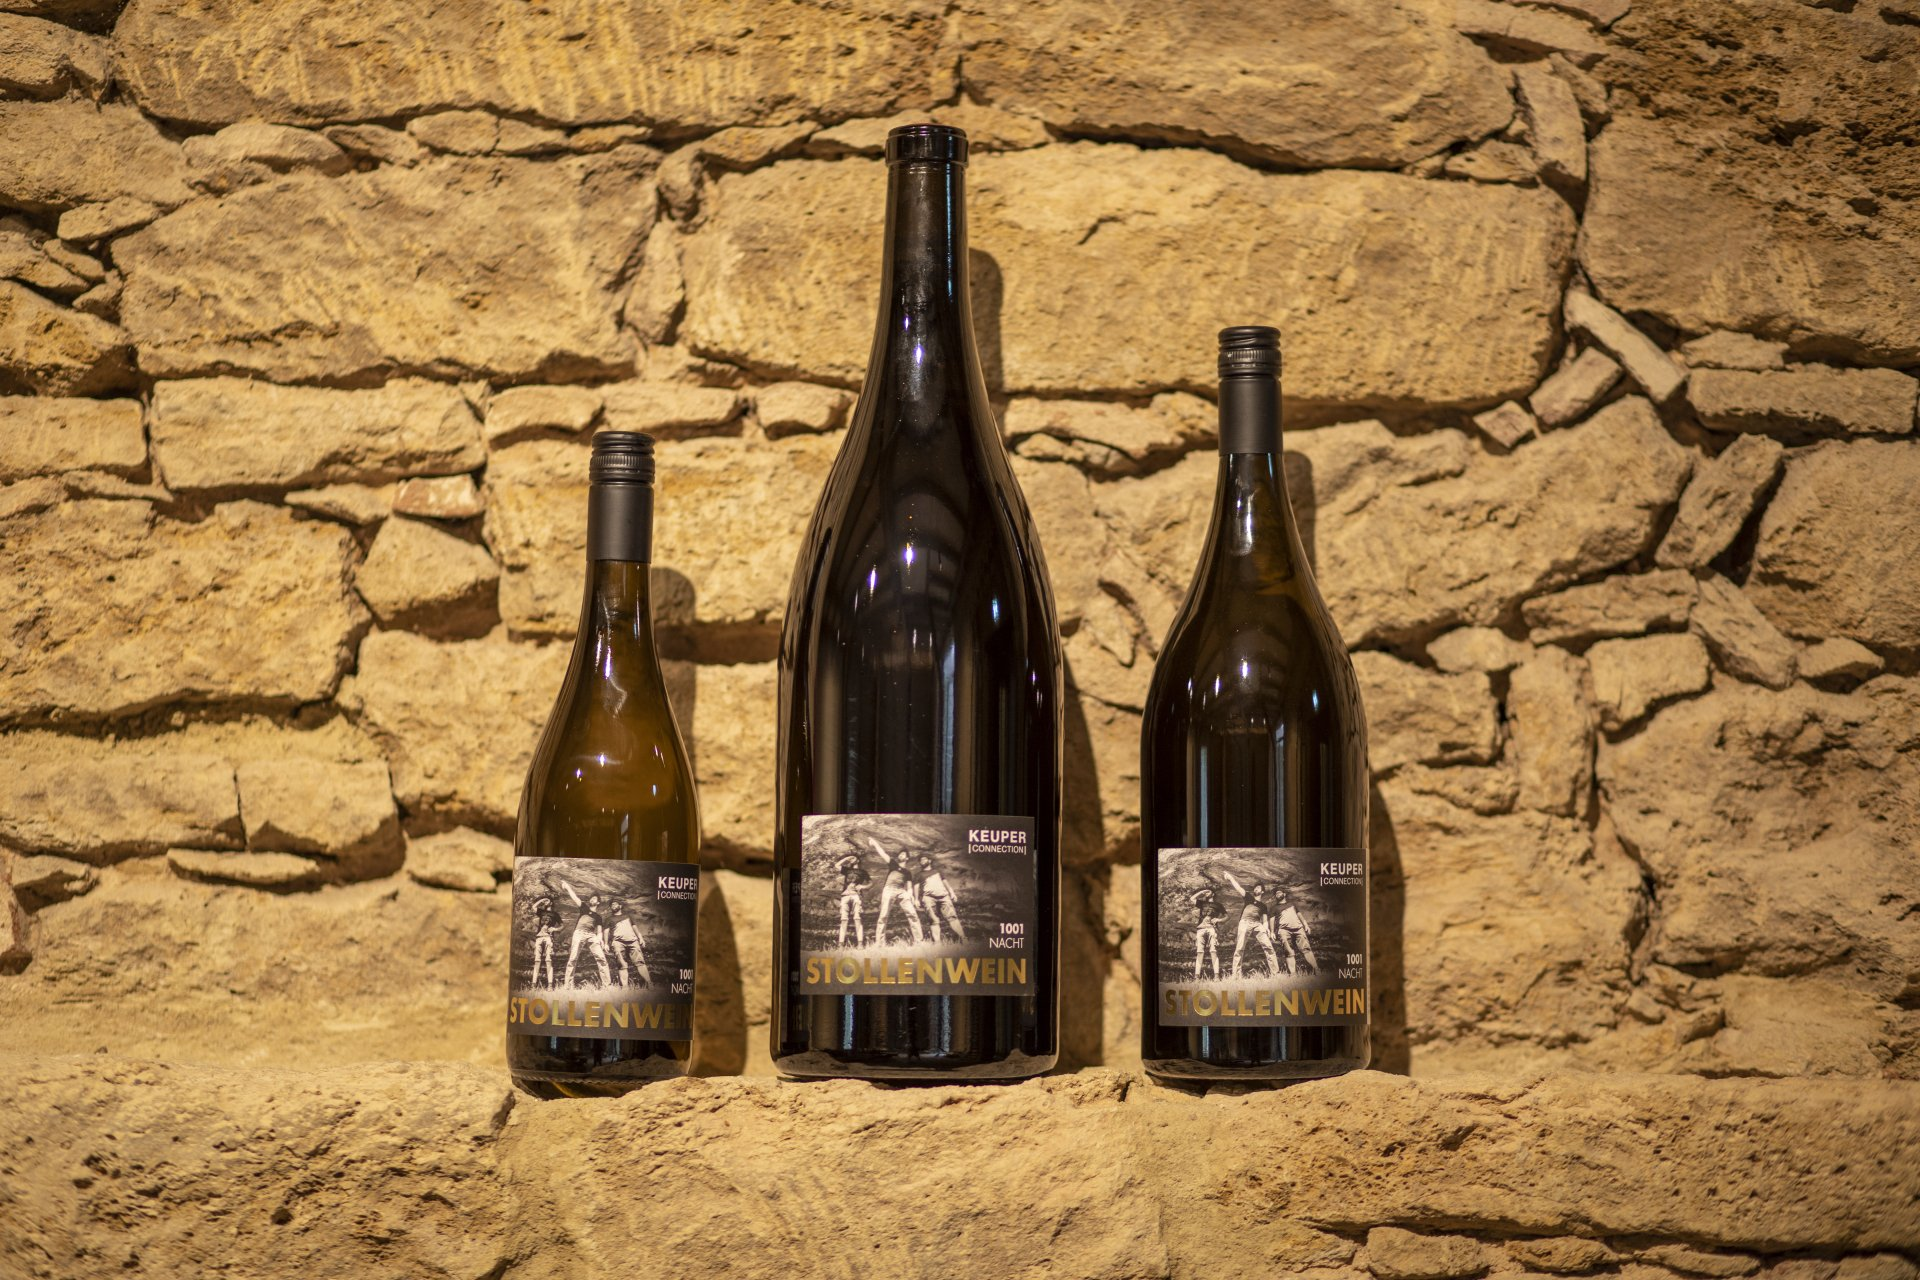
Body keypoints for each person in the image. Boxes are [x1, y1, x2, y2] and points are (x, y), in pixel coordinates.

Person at [1223, 870, 1281, 980]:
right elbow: (1238, 888)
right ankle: (1236, 976)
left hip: (1257, 924)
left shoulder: (1263, 906)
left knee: (1268, 947)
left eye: (1258, 888)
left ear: (1262, 892)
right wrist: (1230, 878)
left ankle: (1276, 973)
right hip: (1245, 922)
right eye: (1255, 888)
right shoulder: (1248, 897)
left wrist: (1266, 929)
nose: (1256, 889)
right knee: (1239, 948)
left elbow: (1265, 920)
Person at [868, 836, 925, 947]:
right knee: (883, 915)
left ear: (907, 858)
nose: (900, 855)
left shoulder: (907, 872)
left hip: (901, 891)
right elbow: (883, 853)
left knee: (912, 914)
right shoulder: (893, 864)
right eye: (900, 854)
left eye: (903, 854)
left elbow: (909, 886)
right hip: (889, 889)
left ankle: (920, 941)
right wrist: (875, 843)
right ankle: (880, 943)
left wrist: (910, 895)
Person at [559, 881, 613, 988]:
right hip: (579, 933)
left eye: (594, 898)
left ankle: (607, 985)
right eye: (591, 898)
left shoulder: (598, 917)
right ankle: (568, 986)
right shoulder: (584, 908)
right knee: (573, 958)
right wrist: (568, 887)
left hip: (591, 935)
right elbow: (575, 898)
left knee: (601, 958)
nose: (592, 899)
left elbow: (599, 931)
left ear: (598, 903)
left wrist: (600, 940)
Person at [1267, 885, 1318, 975]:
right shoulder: (1274, 908)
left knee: (1306, 948)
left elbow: (1299, 914)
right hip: (1283, 930)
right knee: (1288, 952)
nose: (1277, 894)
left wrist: (1305, 924)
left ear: (1284, 894)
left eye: (1279, 892)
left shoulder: (1292, 904)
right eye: (1276, 893)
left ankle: (1317, 969)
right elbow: (1272, 920)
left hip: (1298, 928)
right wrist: (1272, 932)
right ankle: (1293, 974)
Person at [916, 854, 966, 942]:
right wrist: (916, 899)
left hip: (944, 896)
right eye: (921, 860)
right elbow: (916, 887)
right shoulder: (919, 875)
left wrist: (952, 892)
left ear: (929, 861)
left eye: (924, 859)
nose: (922, 861)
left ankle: (964, 939)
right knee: (933, 920)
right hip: (928, 898)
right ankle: (937, 943)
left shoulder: (937, 871)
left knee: (952, 917)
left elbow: (945, 882)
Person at [608, 898, 650, 987]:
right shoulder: (609, 919)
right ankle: (625, 988)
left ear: (620, 906)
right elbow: (605, 931)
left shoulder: (627, 916)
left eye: (615, 904)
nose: (613, 905)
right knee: (622, 965)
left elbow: (634, 927)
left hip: (633, 941)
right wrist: (605, 943)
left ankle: (650, 984)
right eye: (612, 904)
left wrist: (640, 937)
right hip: (618, 942)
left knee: (640, 962)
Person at [1188, 883, 1225, 980]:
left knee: (1213, 951)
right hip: (1201, 929)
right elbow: (1191, 899)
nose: (1206, 893)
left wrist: (1219, 920)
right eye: (1206, 892)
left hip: (1212, 928)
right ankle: (1197, 977)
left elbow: (1227, 916)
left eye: (1208, 891)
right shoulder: (1202, 903)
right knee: (1200, 952)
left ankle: (1216, 976)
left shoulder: (1218, 905)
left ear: (1213, 894)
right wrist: (1202, 892)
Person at [835, 852, 869, 948]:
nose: (851, 859)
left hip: (856, 895)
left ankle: (860, 944)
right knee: (844, 919)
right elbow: (836, 865)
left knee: (857, 919)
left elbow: (871, 883)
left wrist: (863, 886)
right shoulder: (847, 870)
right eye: (850, 859)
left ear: (858, 860)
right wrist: (847, 858)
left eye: (853, 858)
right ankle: (841, 945)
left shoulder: (862, 872)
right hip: (845, 895)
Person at [528, 893, 560, 987]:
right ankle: (533, 984)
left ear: (551, 903)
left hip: (548, 937)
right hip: (539, 937)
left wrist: (555, 929)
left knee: (548, 960)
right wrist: (542, 900)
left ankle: (550, 985)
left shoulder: (555, 914)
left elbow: (562, 925)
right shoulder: (541, 912)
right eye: (545, 900)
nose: (545, 901)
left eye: (547, 900)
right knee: (537, 960)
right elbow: (533, 907)